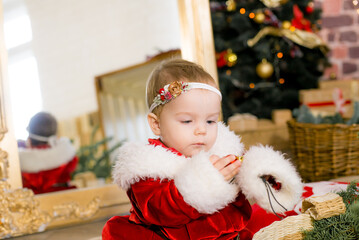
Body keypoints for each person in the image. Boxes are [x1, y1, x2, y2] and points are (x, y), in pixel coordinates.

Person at [102, 59, 302, 239]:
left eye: (210, 120)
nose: (201, 130)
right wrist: (202, 185)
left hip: (229, 235)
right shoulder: (148, 167)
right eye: (187, 121)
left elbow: (245, 191)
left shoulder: (222, 150)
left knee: (272, 225)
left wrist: (261, 178)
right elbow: (158, 210)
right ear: (157, 125)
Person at [18, 112, 78, 194]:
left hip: (33, 202)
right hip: (67, 199)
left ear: (30, 136)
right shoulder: (67, 156)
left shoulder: (18, 163)